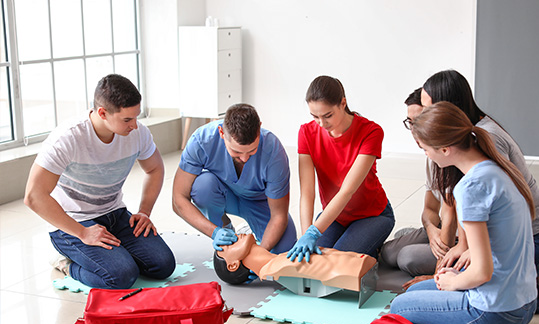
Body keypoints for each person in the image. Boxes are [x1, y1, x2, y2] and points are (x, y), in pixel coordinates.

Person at [390, 101, 539, 324]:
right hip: (524, 303)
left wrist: (456, 282)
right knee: (418, 289)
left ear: (445, 150)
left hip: (494, 310)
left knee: (398, 310)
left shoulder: (471, 188)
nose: (427, 156)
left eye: (426, 150)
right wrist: (453, 278)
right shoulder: (498, 169)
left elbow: (482, 273)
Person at [419, 69, 539, 313]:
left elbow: (508, 207)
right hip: (517, 238)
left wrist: (469, 253)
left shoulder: (485, 139)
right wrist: (462, 247)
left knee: (472, 288)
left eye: (428, 108)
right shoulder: (468, 141)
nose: (425, 116)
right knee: (452, 275)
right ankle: (537, 278)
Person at [24, 74, 176, 289]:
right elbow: (33, 196)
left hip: (115, 213)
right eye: (127, 119)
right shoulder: (67, 138)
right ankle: (67, 265)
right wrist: (82, 232)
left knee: (163, 266)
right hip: (73, 222)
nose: (134, 125)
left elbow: (154, 168)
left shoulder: (138, 132)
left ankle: (113, 255)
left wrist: (144, 211)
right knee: (121, 277)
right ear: (103, 113)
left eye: (136, 117)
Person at [288, 75, 395, 263]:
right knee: (313, 260)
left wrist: (315, 231)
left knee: (335, 263)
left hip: (372, 215)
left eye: (327, 115)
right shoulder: (306, 132)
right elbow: (307, 193)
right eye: (315, 117)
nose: (321, 123)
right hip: (335, 215)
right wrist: (306, 234)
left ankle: (374, 247)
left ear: (343, 103)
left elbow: (347, 191)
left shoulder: (371, 132)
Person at [173, 103, 296, 256]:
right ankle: (226, 231)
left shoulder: (274, 152)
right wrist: (214, 232)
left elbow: (279, 215)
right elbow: (178, 200)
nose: (244, 158)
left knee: (285, 251)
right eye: (236, 152)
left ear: (259, 129)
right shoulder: (201, 141)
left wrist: (260, 254)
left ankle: (248, 232)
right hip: (221, 194)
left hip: (259, 202)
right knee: (202, 187)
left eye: (252, 151)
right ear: (221, 133)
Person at [380, 88, 458, 276]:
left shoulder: (450, 157)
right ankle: (416, 236)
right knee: (388, 253)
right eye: (410, 122)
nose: (415, 130)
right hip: (443, 230)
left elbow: (450, 217)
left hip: (465, 239)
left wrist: (437, 277)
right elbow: (430, 209)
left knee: (407, 257)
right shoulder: (432, 157)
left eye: (420, 121)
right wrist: (431, 231)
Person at [213, 233, 377, 292]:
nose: (233, 238)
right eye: (227, 247)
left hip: (360, 263)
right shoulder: (281, 266)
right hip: (358, 268)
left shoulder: (281, 259)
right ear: (233, 265)